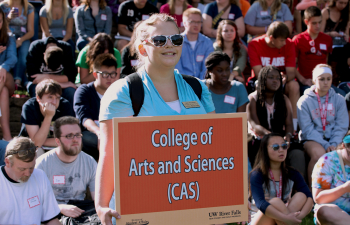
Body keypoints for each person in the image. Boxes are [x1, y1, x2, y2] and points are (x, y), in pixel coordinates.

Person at [95, 13, 215, 224]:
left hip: (191, 203)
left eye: (176, 39)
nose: (170, 45)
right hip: (140, 206)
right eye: (160, 40)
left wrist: (227, 202)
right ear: (143, 49)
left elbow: (214, 148)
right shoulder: (123, 91)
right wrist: (101, 206)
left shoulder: (198, 88)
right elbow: (108, 153)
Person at [247, 66, 305, 177]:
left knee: (297, 154)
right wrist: (272, 137)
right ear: (263, 79)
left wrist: (288, 136)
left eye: (278, 78)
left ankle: (298, 189)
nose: (275, 81)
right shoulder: (253, 99)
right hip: (261, 141)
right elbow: (255, 126)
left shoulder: (284, 99)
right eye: (271, 78)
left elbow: (289, 124)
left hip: (281, 140)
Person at [36, 116, 97, 219]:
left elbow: (98, 199)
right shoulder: (42, 164)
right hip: (50, 213)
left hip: (79, 212)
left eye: (78, 135)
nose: (75, 140)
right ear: (58, 141)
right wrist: (59, 208)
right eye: (69, 136)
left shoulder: (89, 162)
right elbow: (33, 201)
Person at [297, 64, 349, 184]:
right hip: (311, 139)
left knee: (343, 154)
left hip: (335, 139)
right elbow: (307, 129)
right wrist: (326, 145)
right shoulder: (304, 101)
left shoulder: (339, 99)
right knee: (319, 155)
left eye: (328, 79)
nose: (325, 82)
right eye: (321, 79)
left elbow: (342, 126)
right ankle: (313, 194)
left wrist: (334, 143)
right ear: (314, 80)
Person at [249, 133, 314, 225]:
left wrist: (297, 218)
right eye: (276, 147)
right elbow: (260, 204)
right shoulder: (257, 174)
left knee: (301, 196)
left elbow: (309, 198)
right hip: (259, 219)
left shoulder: (293, 173)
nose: (281, 150)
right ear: (265, 150)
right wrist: (286, 218)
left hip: (281, 219)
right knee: (276, 202)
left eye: (284, 146)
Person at [248, 21, 300, 131]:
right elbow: (258, 73)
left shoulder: (289, 44)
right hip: (261, 82)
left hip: (282, 81)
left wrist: (282, 79)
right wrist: (273, 79)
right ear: (271, 38)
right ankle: (258, 129)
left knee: (294, 86)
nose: (284, 43)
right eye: (281, 40)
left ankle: (293, 127)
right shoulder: (255, 44)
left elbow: (291, 72)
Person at [0, 137, 61, 224]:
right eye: (22, 169)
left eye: (31, 168)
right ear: (7, 162)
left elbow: (51, 219)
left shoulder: (40, 176)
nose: (28, 174)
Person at [74, 53, 119, 160]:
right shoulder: (84, 91)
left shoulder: (118, 92)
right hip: (92, 133)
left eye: (113, 74)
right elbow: (84, 118)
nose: (109, 78)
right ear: (95, 74)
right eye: (104, 74)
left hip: (114, 133)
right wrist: (99, 132)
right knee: (87, 139)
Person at [19, 79, 75, 152]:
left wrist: (42, 141)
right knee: (37, 152)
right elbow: (36, 144)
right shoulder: (30, 107)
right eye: (50, 97)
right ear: (38, 98)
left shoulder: (64, 105)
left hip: (54, 146)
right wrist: (48, 116)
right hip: (30, 148)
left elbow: (69, 139)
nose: (54, 102)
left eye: (57, 98)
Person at [293, 6, 334, 95]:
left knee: (342, 95)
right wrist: (303, 80)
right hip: (306, 82)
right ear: (306, 22)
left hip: (324, 82)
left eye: (320, 22)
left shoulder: (327, 39)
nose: (318, 26)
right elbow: (292, 64)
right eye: (314, 23)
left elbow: (326, 61)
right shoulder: (298, 39)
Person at [26, 36, 77, 107]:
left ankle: (70, 117)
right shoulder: (36, 47)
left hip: (58, 84)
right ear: (43, 54)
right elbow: (33, 77)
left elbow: (71, 76)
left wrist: (46, 77)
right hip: (41, 84)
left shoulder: (66, 48)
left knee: (71, 92)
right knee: (36, 90)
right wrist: (62, 83)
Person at [312, 132, 350, 224]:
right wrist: (344, 188)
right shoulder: (327, 161)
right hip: (334, 210)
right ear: (344, 146)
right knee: (325, 211)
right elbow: (318, 198)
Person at [0, 0, 34, 88]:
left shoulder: (29, 8)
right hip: (6, 34)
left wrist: (20, 40)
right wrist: (8, 18)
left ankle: (18, 80)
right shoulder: (3, 6)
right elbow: (2, 25)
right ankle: (24, 80)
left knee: (23, 57)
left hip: (23, 37)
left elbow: (31, 32)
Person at [175, 8, 214, 79]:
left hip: (202, 84)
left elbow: (207, 68)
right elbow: (177, 69)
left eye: (199, 22)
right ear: (184, 23)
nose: (196, 25)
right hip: (182, 83)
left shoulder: (207, 42)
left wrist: (200, 83)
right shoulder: (176, 42)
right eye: (192, 22)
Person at [320, 0, 350, 84]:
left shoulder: (346, 13)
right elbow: (320, 33)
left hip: (341, 44)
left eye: (345, 3)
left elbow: (346, 33)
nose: (343, 5)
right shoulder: (326, 12)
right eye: (341, 2)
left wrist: (346, 36)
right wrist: (330, 34)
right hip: (327, 42)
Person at [0, 8, 17, 141]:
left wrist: (3, 67)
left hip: (6, 78)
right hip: (2, 86)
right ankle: (7, 136)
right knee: (3, 92)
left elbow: (12, 58)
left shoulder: (9, 37)